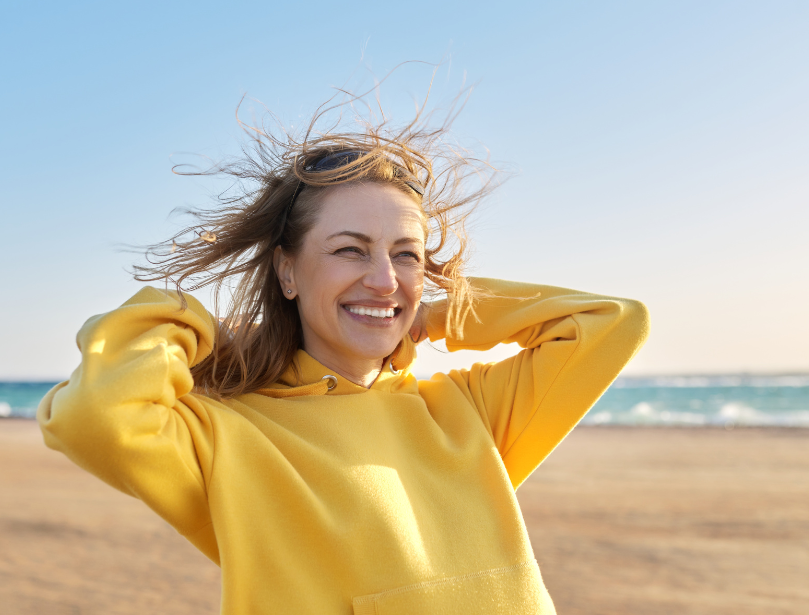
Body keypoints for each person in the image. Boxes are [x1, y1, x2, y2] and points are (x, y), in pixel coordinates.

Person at [37, 100, 649, 614]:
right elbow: (93, 416)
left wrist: (430, 315)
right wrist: (203, 329)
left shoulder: (468, 410)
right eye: (351, 251)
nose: (385, 278)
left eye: (406, 255)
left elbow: (608, 324)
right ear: (287, 271)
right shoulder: (227, 435)